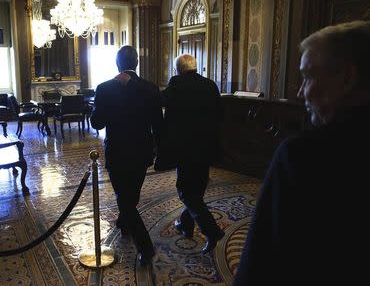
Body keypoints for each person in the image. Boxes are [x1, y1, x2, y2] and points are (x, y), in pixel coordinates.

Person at [233, 20, 370, 285]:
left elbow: (259, 266)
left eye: (307, 76)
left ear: (347, 77)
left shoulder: (302, 157)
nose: (299, 92)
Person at [90, 45, 163, 265]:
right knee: (131, 194)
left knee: (126, 200)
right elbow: (158, 124)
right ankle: (123, 224)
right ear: (137, 63)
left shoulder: (104, 88)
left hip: (117, 152)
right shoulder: (150, 88)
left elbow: (97, 122)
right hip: (142, 151)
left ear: (117, 64)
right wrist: (159, 150)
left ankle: (146, 247)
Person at [155, 54, 225, 254]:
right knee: (198, 189)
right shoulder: (211, 85)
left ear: (178, 69)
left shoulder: (176, 83)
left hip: (185, 149)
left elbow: (161, 100)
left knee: (186, 191)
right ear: (195, 67)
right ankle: (185, 224)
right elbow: (220, 115)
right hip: (207, 147)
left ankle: (211, 231)